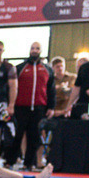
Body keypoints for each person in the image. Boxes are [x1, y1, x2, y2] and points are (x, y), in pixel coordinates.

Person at [11, 42, 54, 170]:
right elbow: (12, 88)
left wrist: (51, 107)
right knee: (17, 135)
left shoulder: (47, 69)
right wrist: (11, 105)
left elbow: (51, 90)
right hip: (20, 107)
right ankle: (10, 161)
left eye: (37, 48)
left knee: (34, 136)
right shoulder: (20, 68)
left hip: (39, 108)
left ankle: (28, 163)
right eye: (32, 48)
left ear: (41, 51)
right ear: (29, 50)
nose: (34, 51)